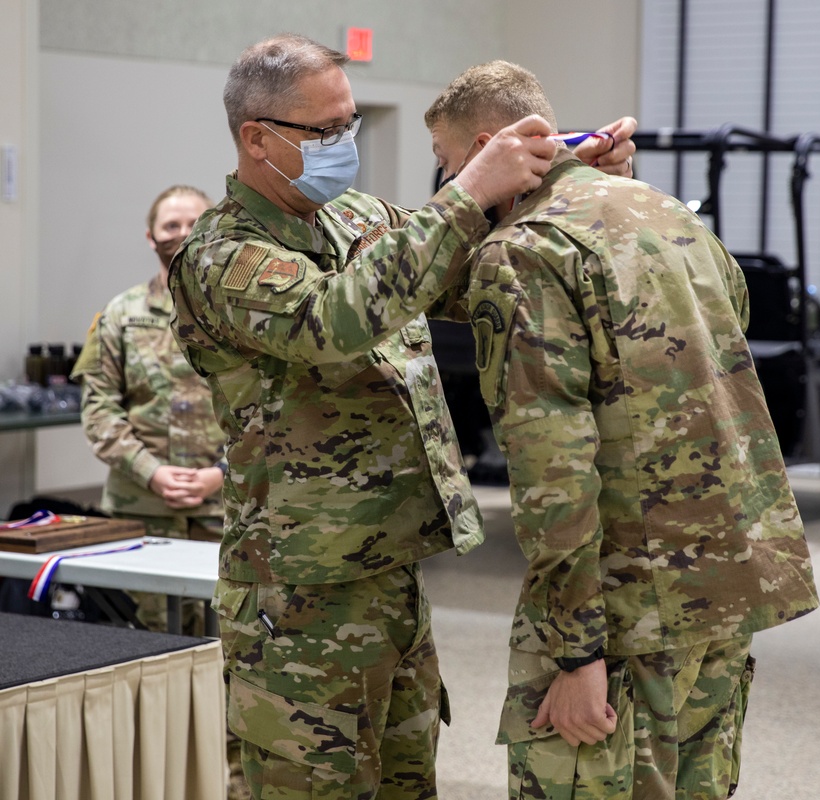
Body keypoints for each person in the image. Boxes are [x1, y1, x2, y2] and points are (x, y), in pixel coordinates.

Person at [168, 33, 636, 799]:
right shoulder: (224, 253)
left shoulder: (354, 218)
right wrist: (465, 192)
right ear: (257, 138)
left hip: (389, 575)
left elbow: (467, 269)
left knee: (407, 783)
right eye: (326, 132)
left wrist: (564, 179)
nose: (345, 144)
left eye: (350, 124)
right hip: (300, 597)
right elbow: (336, 319)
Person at [425, 60, 820, 799]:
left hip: (626, 606)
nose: (446, 187)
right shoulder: (668, 213)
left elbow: (554, 471)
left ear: (485, 147)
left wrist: (575, 654)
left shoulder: (524, 253)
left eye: (447, 167)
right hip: (725, 579)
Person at [72, 184, 227, 635]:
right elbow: (99, 412)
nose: (181, 233)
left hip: (230, 507)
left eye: (194, 223)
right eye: (170, 225)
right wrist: (151, 471)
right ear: (150, 237)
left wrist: (220, 473)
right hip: (140, 510)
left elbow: (274, 411)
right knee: (145, 645)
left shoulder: (246, 311)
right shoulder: (120, 315)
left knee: (233, 646)